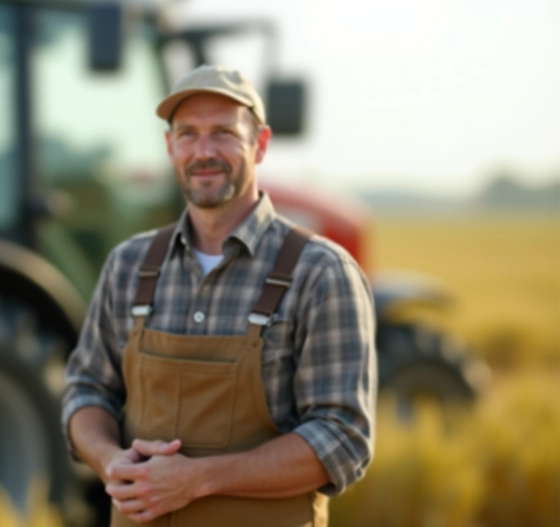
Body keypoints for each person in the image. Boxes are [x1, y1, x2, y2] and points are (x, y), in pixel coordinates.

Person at [62, 65, 376, 527]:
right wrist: (110, 459)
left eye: (224, 133)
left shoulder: (321, 273)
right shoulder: (127, 265)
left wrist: (198, 479)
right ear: (170, 147)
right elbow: (86, 391)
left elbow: (343, 439)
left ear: (261, 144)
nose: (203, 151)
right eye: (188, 134)